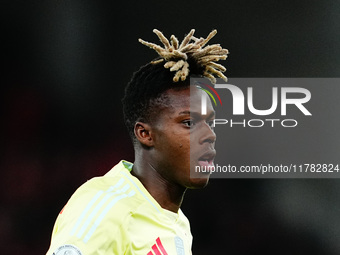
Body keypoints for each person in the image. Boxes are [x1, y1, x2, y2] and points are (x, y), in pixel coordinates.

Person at [46, 28, 228, 255]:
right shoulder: (105, 206)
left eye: (210, 123)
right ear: (145, 134)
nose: (210, 135)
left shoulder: (178, 223)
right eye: (189, 123)